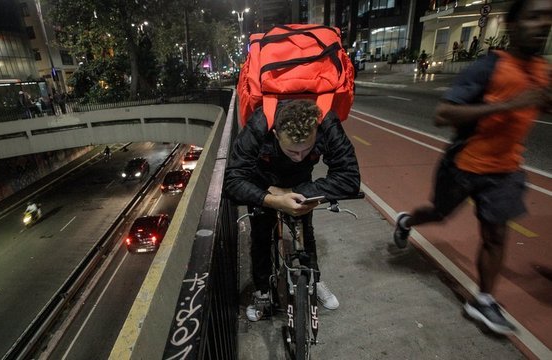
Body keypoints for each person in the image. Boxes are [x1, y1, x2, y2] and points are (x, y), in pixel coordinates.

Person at [392, 0, 551, 335]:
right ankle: (407, 219)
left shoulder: (540, 71)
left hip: (505, 170)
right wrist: (509, 104)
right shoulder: (488, 68)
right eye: (534, 16)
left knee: (496, 234)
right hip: (465, 165)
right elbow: (442, 115)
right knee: (438, 214)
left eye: (548, 17)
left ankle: (483, 300)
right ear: (511, 25)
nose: (543, 24)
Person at [224, 99, 361, 321]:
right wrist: (270, 199)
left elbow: (350, 177)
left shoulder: (326, 122)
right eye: (292, 151)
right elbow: (232, 180)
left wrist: (300, 192)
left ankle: (313, 278)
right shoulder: (259, 124)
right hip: (262, 179)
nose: (299, 157)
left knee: (305, 227)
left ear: (316, 130)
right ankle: (262, 291)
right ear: (276, 134)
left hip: (300, 180)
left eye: (307, 149)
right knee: (261, 232)